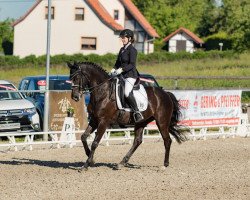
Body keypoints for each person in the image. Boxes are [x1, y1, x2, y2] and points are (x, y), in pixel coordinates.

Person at [111, 29, 143, 122]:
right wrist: (114, 69)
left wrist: (122, 69)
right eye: (121, 38)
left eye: (124, 38)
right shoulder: (122, 49)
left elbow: (132, 64)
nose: (122, 39)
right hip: (121, 75)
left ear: (129, 38)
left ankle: (137, 112)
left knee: (126, 92)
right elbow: (118, 62)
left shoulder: (132, 50)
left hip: (130, 75)